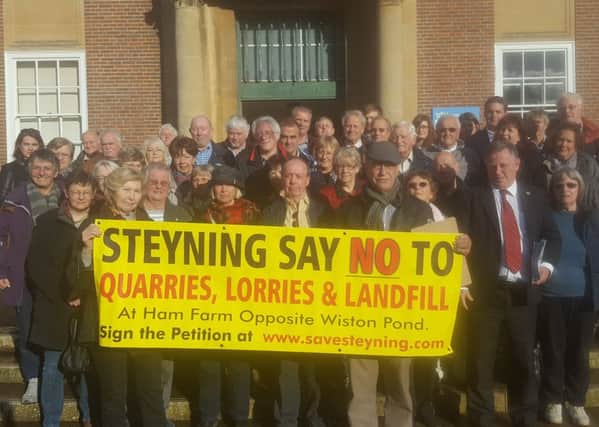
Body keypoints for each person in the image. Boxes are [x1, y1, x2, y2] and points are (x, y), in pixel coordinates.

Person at [338, 142, 434, 427]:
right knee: (361, 384)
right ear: (366, 167)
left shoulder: (419, 209)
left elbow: (433, 255)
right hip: (361, 307)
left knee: (400, 382)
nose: (382, 171)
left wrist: (459, 246)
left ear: (398, 169)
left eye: (389, 166)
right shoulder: (349, 209)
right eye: (377, 165)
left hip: (401, 309)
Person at [465, 141, 561, 427]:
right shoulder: (474, 197)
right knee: (481, 361)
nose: (498, 171)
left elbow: (553, 237)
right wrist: (461, 284)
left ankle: (524, 416)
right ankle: (481, 417)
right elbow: (458, 243)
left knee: (523, 360)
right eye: (492, 165)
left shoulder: (537, 198)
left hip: (523, 293)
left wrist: (546, 265)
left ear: (517, 164)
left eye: (504, 165)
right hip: (486, 292)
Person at [75, 167, 167, 427]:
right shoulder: (93, 225)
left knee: (151, 396)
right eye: (126, 189)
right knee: (113, 397)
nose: (132, 196)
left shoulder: (150, 226)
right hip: (106, 323)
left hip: (144, 323)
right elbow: (74, 284)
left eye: (137, 190)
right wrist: (85, 252)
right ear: (112, 191)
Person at [257, 157, 332, 427]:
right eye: (289, 176)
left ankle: (312, 417)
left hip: (315, 301)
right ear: (282, 180)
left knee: (312, 367)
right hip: (282, 302)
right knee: (286, 368)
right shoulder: (269, 212)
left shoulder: (324, 213)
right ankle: (286, 420)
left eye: (299, 176)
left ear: (308, 180)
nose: (294, 181)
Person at [27, 171, 95, 427]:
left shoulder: (100, 223)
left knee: (87, 366)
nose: (80, 196)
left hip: (88, 307)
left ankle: (88, 415)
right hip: (53, 305)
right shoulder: (47, 221)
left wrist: (82, 296)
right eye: (76, 191)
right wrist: (65, 296)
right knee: (52, 366)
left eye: (86, 192)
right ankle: (51, 421)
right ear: (66, 192)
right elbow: (35, 265)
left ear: (94, 194)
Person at [194, 165, 258, 427]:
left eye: (228, 184)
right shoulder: (202, 215)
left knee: (239, 364)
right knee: (209, 364)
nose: (223, 189)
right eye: (218, 184)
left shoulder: (252, 214)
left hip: (241, 298)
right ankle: (208, 418)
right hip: (210, 297)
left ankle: (239, 418)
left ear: (236, 187)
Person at [0, 149, 63, 404]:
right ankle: (33, 381)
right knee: (26, 329)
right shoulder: (13, 201)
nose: (42, 173)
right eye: (37, 168)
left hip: (57, 276)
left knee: (53, 328)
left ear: (56, 172)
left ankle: (54, 377)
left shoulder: (67, 197)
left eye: (47, 168)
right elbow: (1, 238)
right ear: (29, 170)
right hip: (24, 274)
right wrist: (2, 270)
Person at [538, 168, 597, 426]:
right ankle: (552, 401)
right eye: (560, 185)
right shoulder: (544, 217)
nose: (565, 189)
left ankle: (576, 402)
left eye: (571, 185)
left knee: (579, 352)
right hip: (551, 296)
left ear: (579, 189)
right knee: (552, 350)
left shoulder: (591, 219)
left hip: (584, 297)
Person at [141, 163, 191, 426]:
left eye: (163, 182)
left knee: (165, 363)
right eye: (153, 182)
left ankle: (158, 415)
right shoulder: (130, 215)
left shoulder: (182, 216)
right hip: (139, 299)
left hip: (171, 300)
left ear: (170, 186)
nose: (159, 186)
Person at [544, 121, 599, 209]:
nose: (563, 144)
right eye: (560, 140)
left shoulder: (589, 165)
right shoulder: (542, 165)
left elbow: (595, 197)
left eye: (569, 141)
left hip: (583, 217)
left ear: (576, 144)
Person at [237, 116, 288, 209]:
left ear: (276, 135)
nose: (263, 137)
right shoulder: (243, 159)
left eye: (267, 133)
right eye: (259, 133)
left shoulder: (289, 160)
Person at [423, 115, 481, 185]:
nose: (447, 133)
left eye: (452, 130)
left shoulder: (470, 155)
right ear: (437, 132)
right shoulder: (424, 155)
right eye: (442, 130)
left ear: (459, 132)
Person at [494, 114, 546, 189]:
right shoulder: (492, 153)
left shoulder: (531, 154)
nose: (505, 133)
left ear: (519, 135)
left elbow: (539, 182)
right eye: (502, 129)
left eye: (510, 130)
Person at [0, 128, 44, 204]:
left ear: (39, 146)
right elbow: (2, 197)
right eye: (26, 144)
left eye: (34, 144)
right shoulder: (9, 169)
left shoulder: (45, 168)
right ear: (19, 146)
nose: (30, 148)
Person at [549, 93, 599, 157]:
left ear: (581, 108)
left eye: (571, 107)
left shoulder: (595, 133)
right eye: (562, 108)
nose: (566, 111)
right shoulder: (548, 132)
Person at [467, 96, 508, 163]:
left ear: (505, 114)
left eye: (498, 112)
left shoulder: (511, 138)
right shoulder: (472, 141)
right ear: (485, 114)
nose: (494, 115)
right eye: (490, 112)